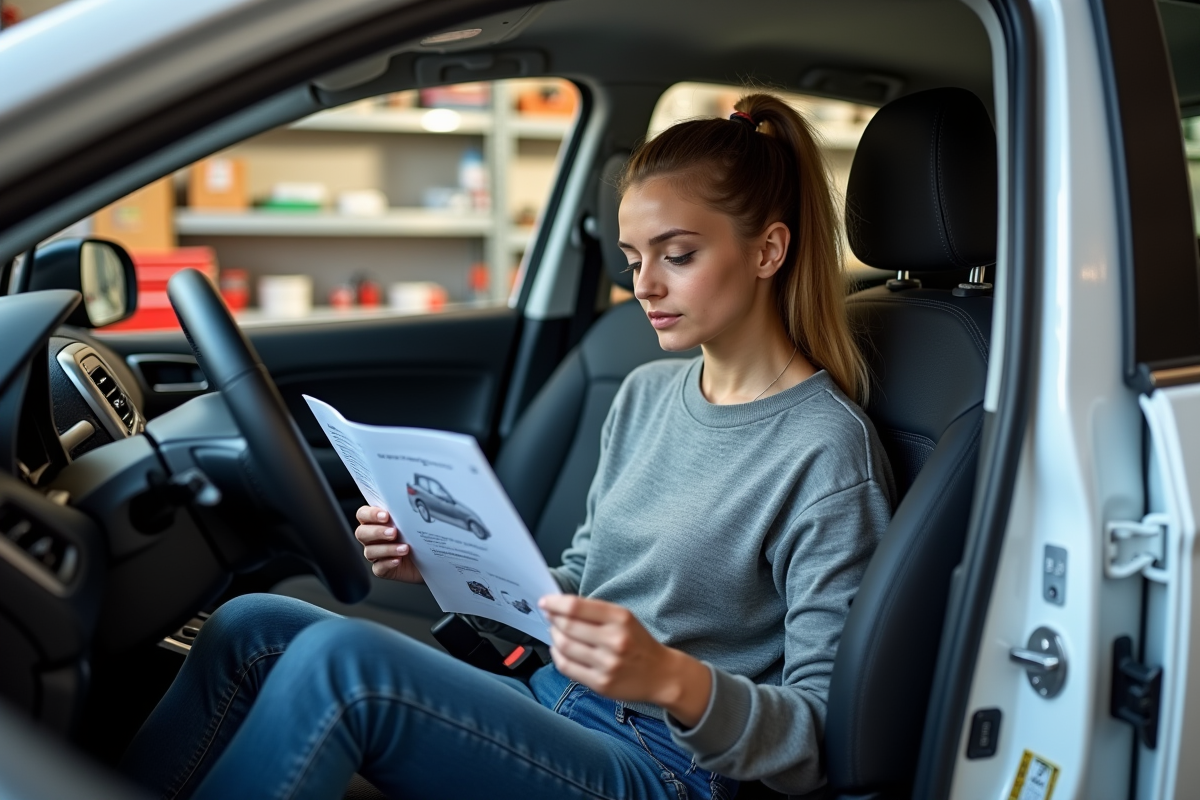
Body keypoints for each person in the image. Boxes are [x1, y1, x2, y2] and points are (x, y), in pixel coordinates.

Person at [121, 93, 895, 800]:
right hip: (551, 694)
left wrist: (674, 680)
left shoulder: (825, 450)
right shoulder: (646, 395)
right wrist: (441, 563)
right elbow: (580, 587)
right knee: (250, 625)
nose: (645, 286)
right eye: (632, 261)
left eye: (678, 255)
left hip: (665, 766)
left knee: (342, 671)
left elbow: (823, 739)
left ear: (767, 251)